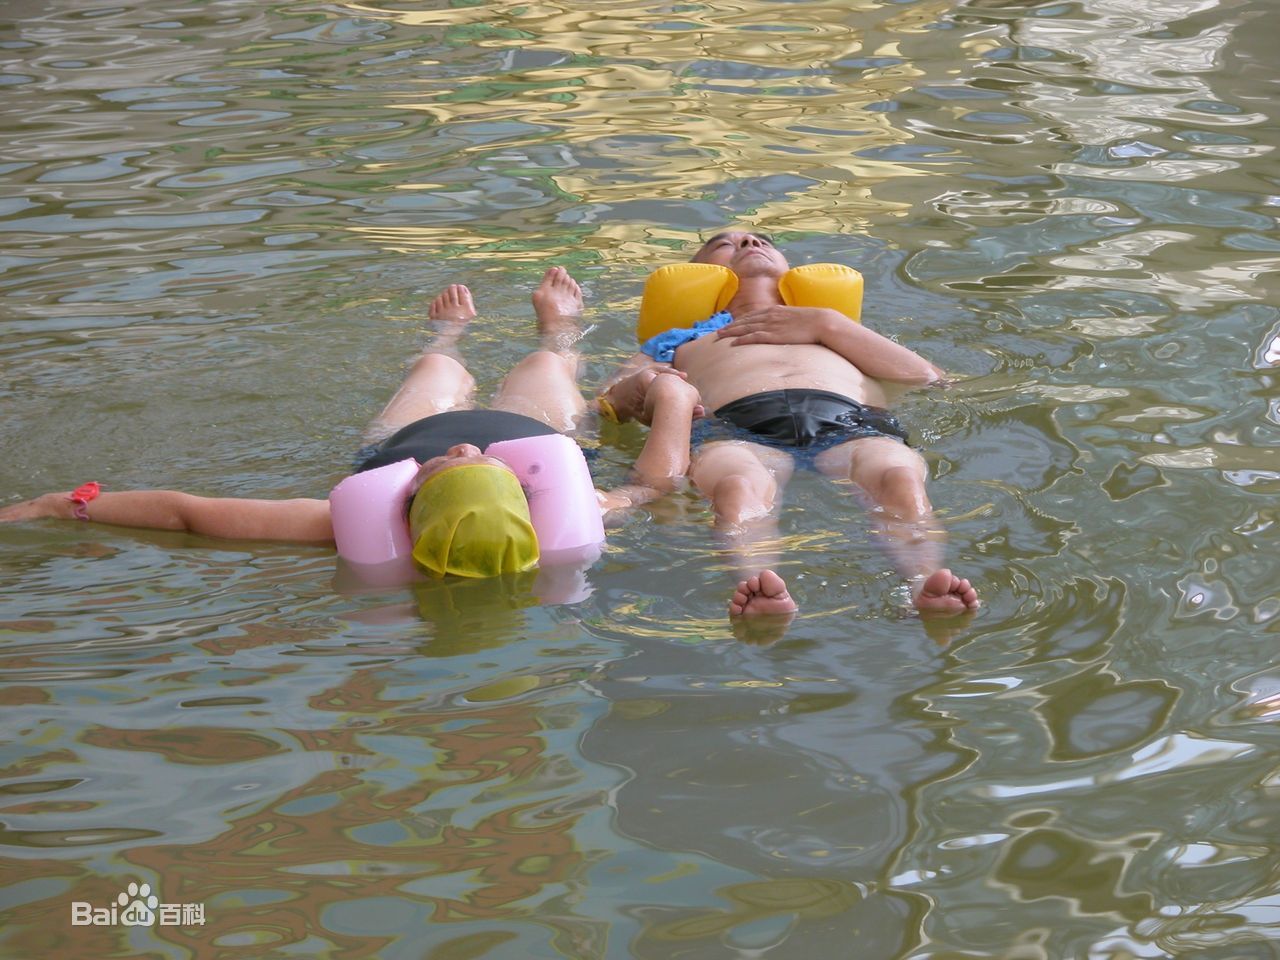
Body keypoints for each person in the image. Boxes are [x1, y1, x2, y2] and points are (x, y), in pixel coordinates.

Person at [0, 269, 701, 583]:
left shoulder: (341, 523)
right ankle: (558, 333)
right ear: (523, 498)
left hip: (393, 445)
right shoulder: (581, 511)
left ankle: (446, 340)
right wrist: (672, 403)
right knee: (547, 370)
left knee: (434, 379)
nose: (463, 447)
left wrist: (66, 504)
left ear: (414, 499)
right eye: (479, 461)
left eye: (448, 466)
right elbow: (652, 484)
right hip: (533, 429)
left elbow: (188, 516)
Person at [601, 230, 980, 621]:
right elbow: (610, 400)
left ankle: (923, 581)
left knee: (898, 477)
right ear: (699, 271)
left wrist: (825, 325)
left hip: (850, 419)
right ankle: (757, 586)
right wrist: (639, 386)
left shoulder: (832, 326)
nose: (749, 243)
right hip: (736, 426)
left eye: (760, 239)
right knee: (738, 488)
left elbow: (931, 378)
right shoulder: (677, 339)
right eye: (724, 244)